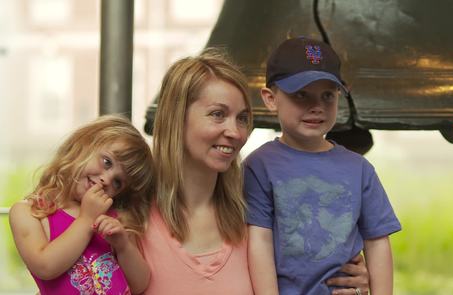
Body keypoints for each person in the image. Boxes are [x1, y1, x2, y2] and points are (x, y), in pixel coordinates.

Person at [139, 48, 371, 294]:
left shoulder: (258, 210)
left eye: (242, 118)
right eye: (218, 114)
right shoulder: (132, 216)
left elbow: (314, 268)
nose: (236, 133)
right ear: (177, 118)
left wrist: (356, 282)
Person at [244, 37, 402, 295]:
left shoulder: (359, 169)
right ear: (270, 98)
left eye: (327, 95)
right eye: (301, 95)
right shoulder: (259, 166)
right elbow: (258, 242)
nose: (316, 107)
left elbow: (378, 242)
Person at [9, 115, 155, 295]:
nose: (106, 179)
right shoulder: (30, 213)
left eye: (118, 182)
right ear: (83, 145)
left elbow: (140, 284)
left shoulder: (115, 219)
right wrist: (87, 219)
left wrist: (123, 246)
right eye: (107, 162)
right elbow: (45, 267)